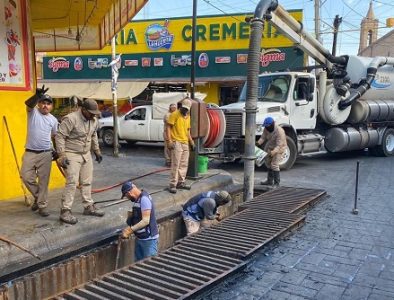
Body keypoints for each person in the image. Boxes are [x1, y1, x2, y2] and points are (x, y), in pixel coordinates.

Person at [55, 99, 105, 224]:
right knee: (72, 182)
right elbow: (60, 136)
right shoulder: (71, 119)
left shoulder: (93, 120)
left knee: (87, 181)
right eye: (91, 113)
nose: (93, 115)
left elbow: (93, 135)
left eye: (95, 113)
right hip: (71, 153)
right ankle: (65, 210)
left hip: (86, 154)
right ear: (83, 110)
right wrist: (62, 155)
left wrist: (97, 151)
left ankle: (88, 206)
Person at [21, 86, 58, 217]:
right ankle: (39, 197)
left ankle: (42, 206)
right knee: (25, 176)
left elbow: (55, 136)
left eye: (48, 104)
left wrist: (57, 151)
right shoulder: (33, 112)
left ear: (51, 106)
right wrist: (37, 96)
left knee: (43, 181)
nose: (45, 106)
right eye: (43, 102)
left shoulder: (53, 120)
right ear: (39, 104)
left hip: (46, 153)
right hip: (30, 151)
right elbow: (28, 104)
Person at [120, 181, 159, 261]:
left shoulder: (144, 199)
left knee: (149, 265)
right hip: (141, 239)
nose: (127, 198)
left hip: (149, 240)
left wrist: (129, 231)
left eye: (126, 196)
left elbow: (145, 221)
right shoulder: (138, 200)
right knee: (138, 264)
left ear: (129, 193)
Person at [166, 98, 195, 194]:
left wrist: (191, 142)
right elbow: (168, 128)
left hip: (185, 142)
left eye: (187, 109)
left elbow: (187, 130)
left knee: (184, 164)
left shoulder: (188, 116)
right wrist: (169, 141)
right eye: (184, 108)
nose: (185, 110)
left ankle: (181, 182)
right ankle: (173, 184)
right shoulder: (174, 115)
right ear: (181, 107)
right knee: (176, 163)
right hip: (176, 142)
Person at [256, 116, 287, 187]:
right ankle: (269, 181)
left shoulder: (280, 131)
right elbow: (263, 137)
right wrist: (258, 143)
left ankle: (277, 183)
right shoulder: (267, 128)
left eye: (267, 126)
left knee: (274, 164)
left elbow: (279, 145)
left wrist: (273, 153)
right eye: (265, 126)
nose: (266, 128)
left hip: (279, 149)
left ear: (272, 124)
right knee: (269, 163)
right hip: (271, 147)